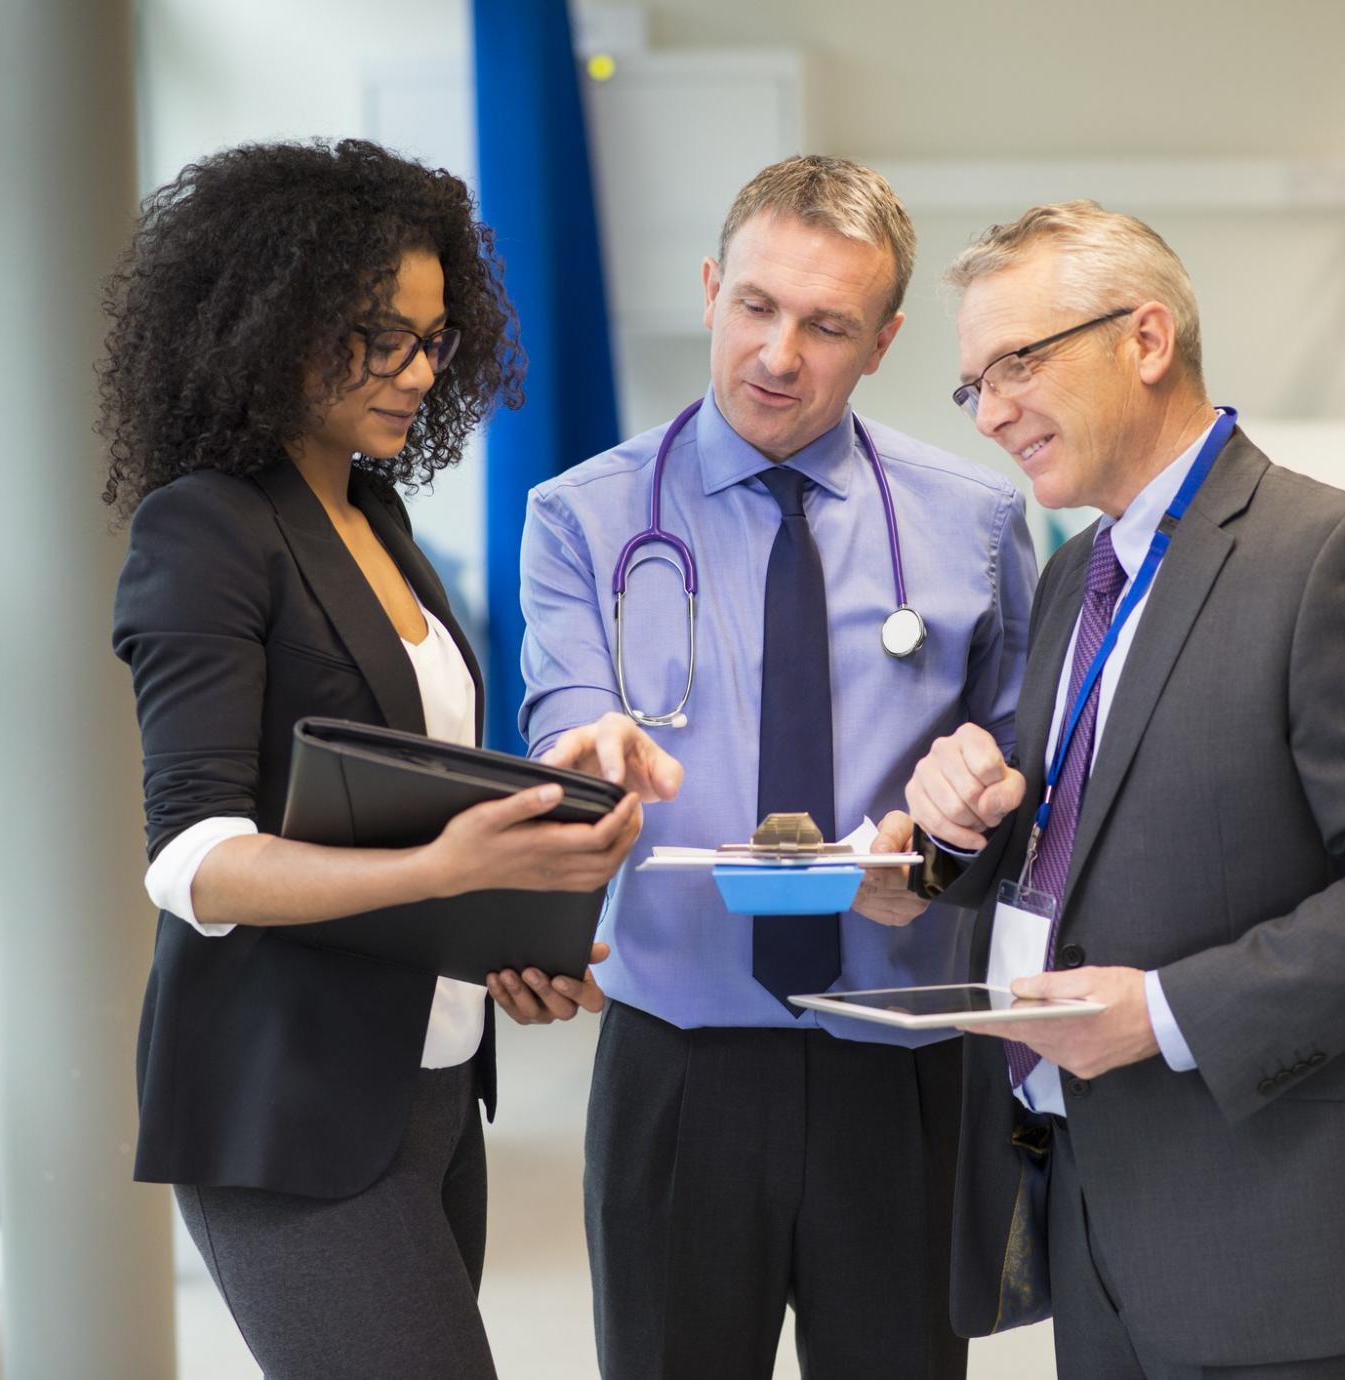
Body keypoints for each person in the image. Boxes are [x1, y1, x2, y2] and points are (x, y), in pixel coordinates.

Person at [872, 201, 1345, 1379]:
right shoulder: (1080, 570)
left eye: (1015, 363)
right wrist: (959, 832)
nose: (991, 410)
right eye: (972, 386)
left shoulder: (1333, 560)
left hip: (1271, 1230)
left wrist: (1160, 1015)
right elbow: (1087, 830)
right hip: (1096, 1206)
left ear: (1146, 339)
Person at [104, 139, 678, 1378]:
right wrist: (444, 872)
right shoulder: (203, 527)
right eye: (379, 335)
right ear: (267, 322)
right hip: (287, 1110)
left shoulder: (374, 515)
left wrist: (503, 939)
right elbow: (195, 861)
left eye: (432, 338)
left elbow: (400, 797)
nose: (417, 370)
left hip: (426, 1092)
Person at [516, 155, 1035, 1380]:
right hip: (679, 1061)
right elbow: (566, 715)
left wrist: (950, 853)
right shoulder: (582, 518)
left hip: (898, 1060)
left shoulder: (977, 521)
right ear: (709, 288)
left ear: (885, 340)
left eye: (827, 325)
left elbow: (1025, 774)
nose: (778, 354)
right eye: (754, 305)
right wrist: (582, 758)